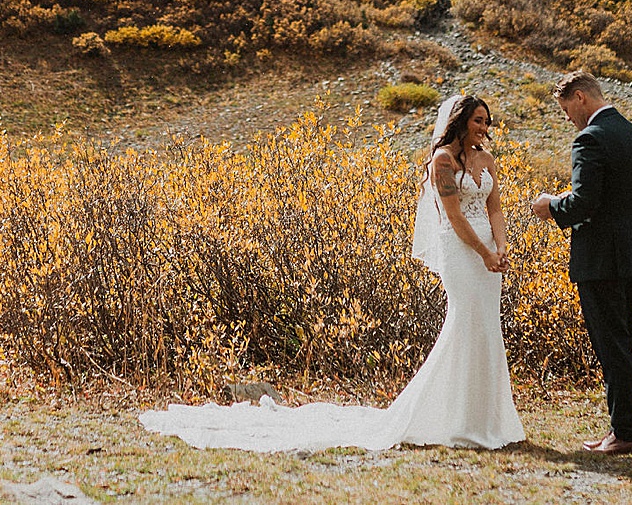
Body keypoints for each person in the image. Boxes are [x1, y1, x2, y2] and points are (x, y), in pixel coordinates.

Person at [139, 93, 525, 452]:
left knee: (487, 325)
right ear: (459, 121)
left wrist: (501, 248)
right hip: (461, 251)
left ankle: (486, 420)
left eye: (487, 122)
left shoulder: (487, 160)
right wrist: (482, 251)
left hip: (490, 253)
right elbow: (454, 216)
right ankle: (450, 418)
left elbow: (494, 208)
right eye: (478, 120)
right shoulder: (443, 161)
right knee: (464, 323)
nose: (484, 128)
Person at [530, 70, 632, 456]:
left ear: (581, 97)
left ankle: (626, 432)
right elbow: (616, 196)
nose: (568, 117)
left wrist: (550, 205)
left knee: (610, 345)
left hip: (602, 257)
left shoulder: (589, 139)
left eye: (567, 108)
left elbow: (585, 202)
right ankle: (623, 428)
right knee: (622, 341)